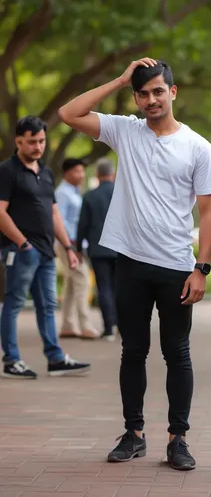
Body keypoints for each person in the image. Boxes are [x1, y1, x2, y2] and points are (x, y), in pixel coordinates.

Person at [58, 57, 211, 471]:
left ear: (173, 92)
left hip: (175, 267)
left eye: (158, 91)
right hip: (129, 261)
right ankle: (134, 434)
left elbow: (207, 214)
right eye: (143, 93)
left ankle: (177, 439)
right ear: (135, 96)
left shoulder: (197, 146)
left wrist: (201, 269)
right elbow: (68, 113)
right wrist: (119, 78)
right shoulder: (125, 131)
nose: (151, 99)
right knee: (133, 352)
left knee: (177, 353)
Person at [0, 116, 91, 379]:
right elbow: (1, 212)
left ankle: (55, 359)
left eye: (41, 140)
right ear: (19, 141)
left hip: (47, 252)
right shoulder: (7, 171)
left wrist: (68, 247)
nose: (38, 146)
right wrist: (22, 243)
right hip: (21, 251)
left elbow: (54, 215)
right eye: (32, 142)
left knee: (48, 305)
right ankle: (12, 360)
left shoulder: (47, 172)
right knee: (14, 303)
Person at [55, 158, 99, 339]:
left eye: (82, 171)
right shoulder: (62, 193)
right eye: (77, 171)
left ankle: (67, 325)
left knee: (72, 285)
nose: (81, 175)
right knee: (83, 281)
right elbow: (60, 221)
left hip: (74, 244)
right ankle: (86, 326)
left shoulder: (73, 192)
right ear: (67, 173)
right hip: (69, 245)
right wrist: (70, 246)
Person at [77, 158, 118, 340]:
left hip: (98, 249)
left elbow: (83, 225)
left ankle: (109, 328)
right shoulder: (122, 193)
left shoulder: (89, 196)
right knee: (121, 287)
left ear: (97, 174)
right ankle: (124, 327)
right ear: (112, 173)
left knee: (104, 288)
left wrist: (79, 247)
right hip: (122, 248)